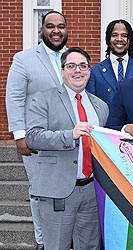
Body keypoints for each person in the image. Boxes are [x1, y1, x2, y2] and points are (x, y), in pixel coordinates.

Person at [25, 47, 108, 249]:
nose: (77, 71)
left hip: (91, 190)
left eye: (82, 66)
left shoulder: (100, 106)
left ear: (89, 70)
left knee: (90, 246)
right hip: (57, 191)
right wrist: (69, 134)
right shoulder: (42, 99)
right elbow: (32, 137)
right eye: (71, 66)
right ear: (62, 71)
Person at [5, 10, 68, 250]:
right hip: (37, 141)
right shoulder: (24, 59)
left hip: (69, 141)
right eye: (50, 26)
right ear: (42, 29)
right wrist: (20, 136)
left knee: (67, 192)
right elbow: (15, 98)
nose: (56, 31)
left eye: (61, 26)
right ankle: (43, 241)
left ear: (66, 29)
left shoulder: (73, 57)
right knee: (40, 193)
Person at [86, 19, 133, 106]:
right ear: (108, 39)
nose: (119, 39)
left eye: (124, 35)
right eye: (114, 35)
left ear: (130, 39)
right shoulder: (95, 72)